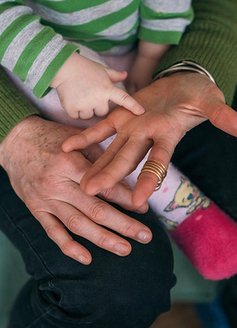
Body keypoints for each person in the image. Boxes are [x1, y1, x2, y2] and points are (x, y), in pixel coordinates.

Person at [0, 0, 237, 327]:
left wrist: (154, 58)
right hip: (35, 59)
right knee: (115, 281)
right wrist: (61, 67)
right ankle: (176, 202)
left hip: (142, 54)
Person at [0, 0, 193, 119]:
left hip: (138, 46)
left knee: (148, 117)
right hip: (46, 51)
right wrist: (64, 70)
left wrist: (149, 57)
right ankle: (166, 185)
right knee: (102, 125)